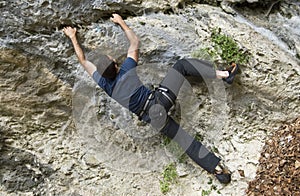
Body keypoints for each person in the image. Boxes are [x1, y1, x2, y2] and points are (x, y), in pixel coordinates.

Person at [63, 14, 231, 184]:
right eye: (111, 59)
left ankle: (218, 170)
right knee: (181, 66)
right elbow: (134, 42)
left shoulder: (105, 85)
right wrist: (121, 22)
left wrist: (72, 38)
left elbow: (83, 60)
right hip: (159, 100)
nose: (112, 57)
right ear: (115, 65)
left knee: (184, 140)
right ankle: (225, 75)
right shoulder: (126, 69)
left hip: (153, 119)